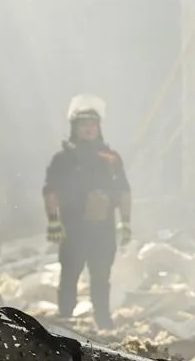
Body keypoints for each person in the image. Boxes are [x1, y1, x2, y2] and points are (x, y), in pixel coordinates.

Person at [43, 95, 132, 329]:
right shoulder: (63, 159)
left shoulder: (111, 159)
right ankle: (65, 319)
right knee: (70, 273)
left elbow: (123, 191)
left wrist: (125, 221)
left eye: (93, 124)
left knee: (101, 275)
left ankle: (103, 319)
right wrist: (53, 221)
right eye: (84, 125)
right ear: (75, 128)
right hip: (73, 226)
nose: (89, 129)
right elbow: (51, 190)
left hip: (103, 228)